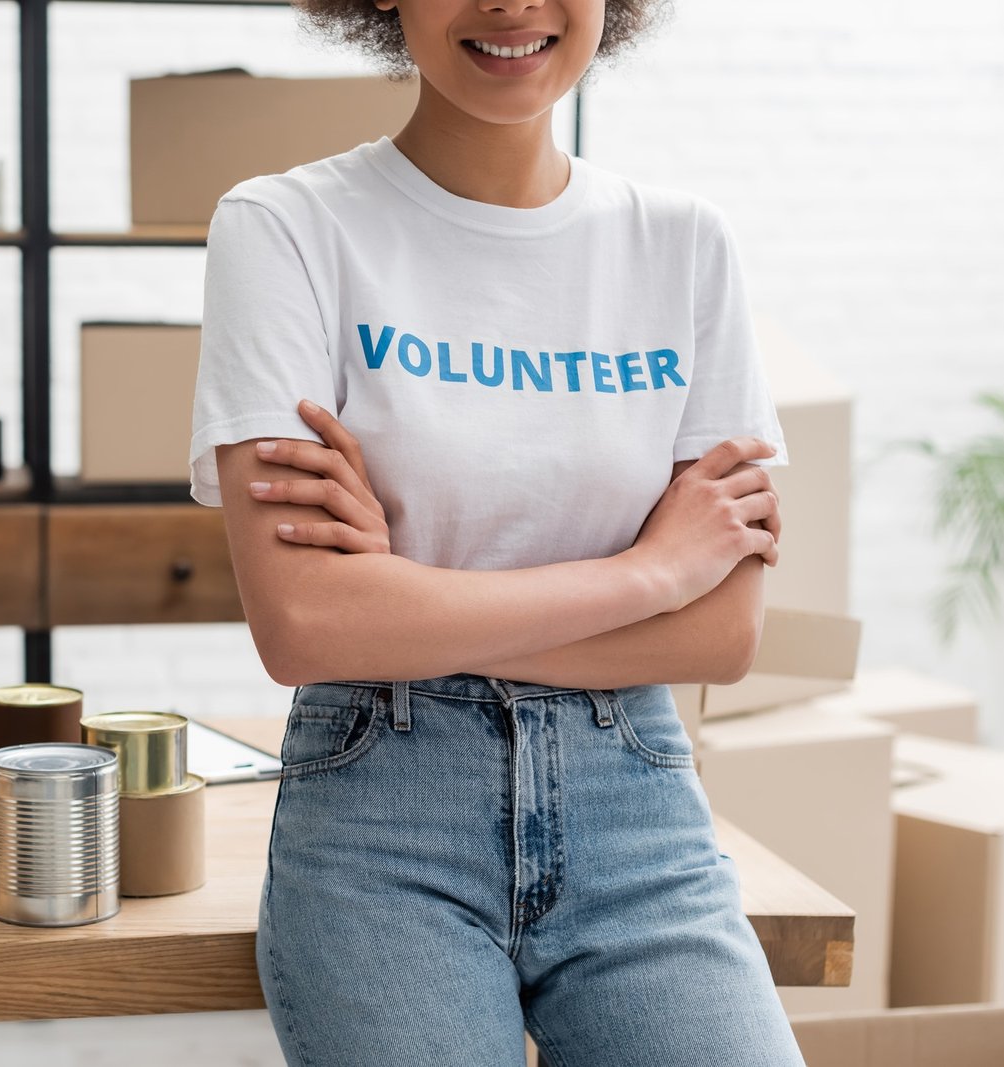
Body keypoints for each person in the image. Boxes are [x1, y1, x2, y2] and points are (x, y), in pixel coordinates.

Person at [185, 0, 804, 1062]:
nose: (512, 4)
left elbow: (720, 636)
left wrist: (403, 597)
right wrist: (651, 570)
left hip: (636, 807)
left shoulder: (683, 245)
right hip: (383, 814)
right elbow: (304, 626)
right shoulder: (285, 228)